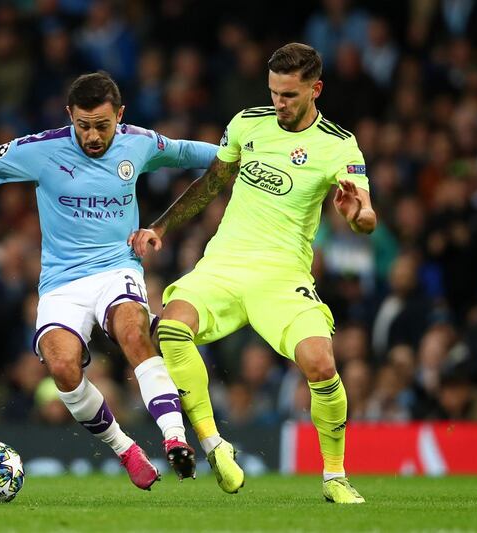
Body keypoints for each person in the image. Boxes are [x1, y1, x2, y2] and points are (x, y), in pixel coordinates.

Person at [0, 72, 217, 490]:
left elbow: (195, 153)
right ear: (70, 115)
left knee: (133, 331)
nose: (92, 136)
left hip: (116, 268)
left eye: (102, 126)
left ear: (119, 116)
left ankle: (174, 437)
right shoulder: (40, 150)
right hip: (62, 282)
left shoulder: (138, 143)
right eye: (83, 125)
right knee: (63, 367)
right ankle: (126, 449)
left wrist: (253, 153)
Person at [129, 43, 376, 502]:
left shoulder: (338, 145)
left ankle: (335, 476)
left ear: (314, 90)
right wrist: (159, 226)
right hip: (223, 263)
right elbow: (212, 184)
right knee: (171, 328)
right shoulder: (247, 123)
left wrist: (355, 211)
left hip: (282, 276)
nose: (279, 102)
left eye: (289, 94)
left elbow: (366, 217)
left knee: (322, 364)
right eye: (274, 92)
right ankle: (214, 445)